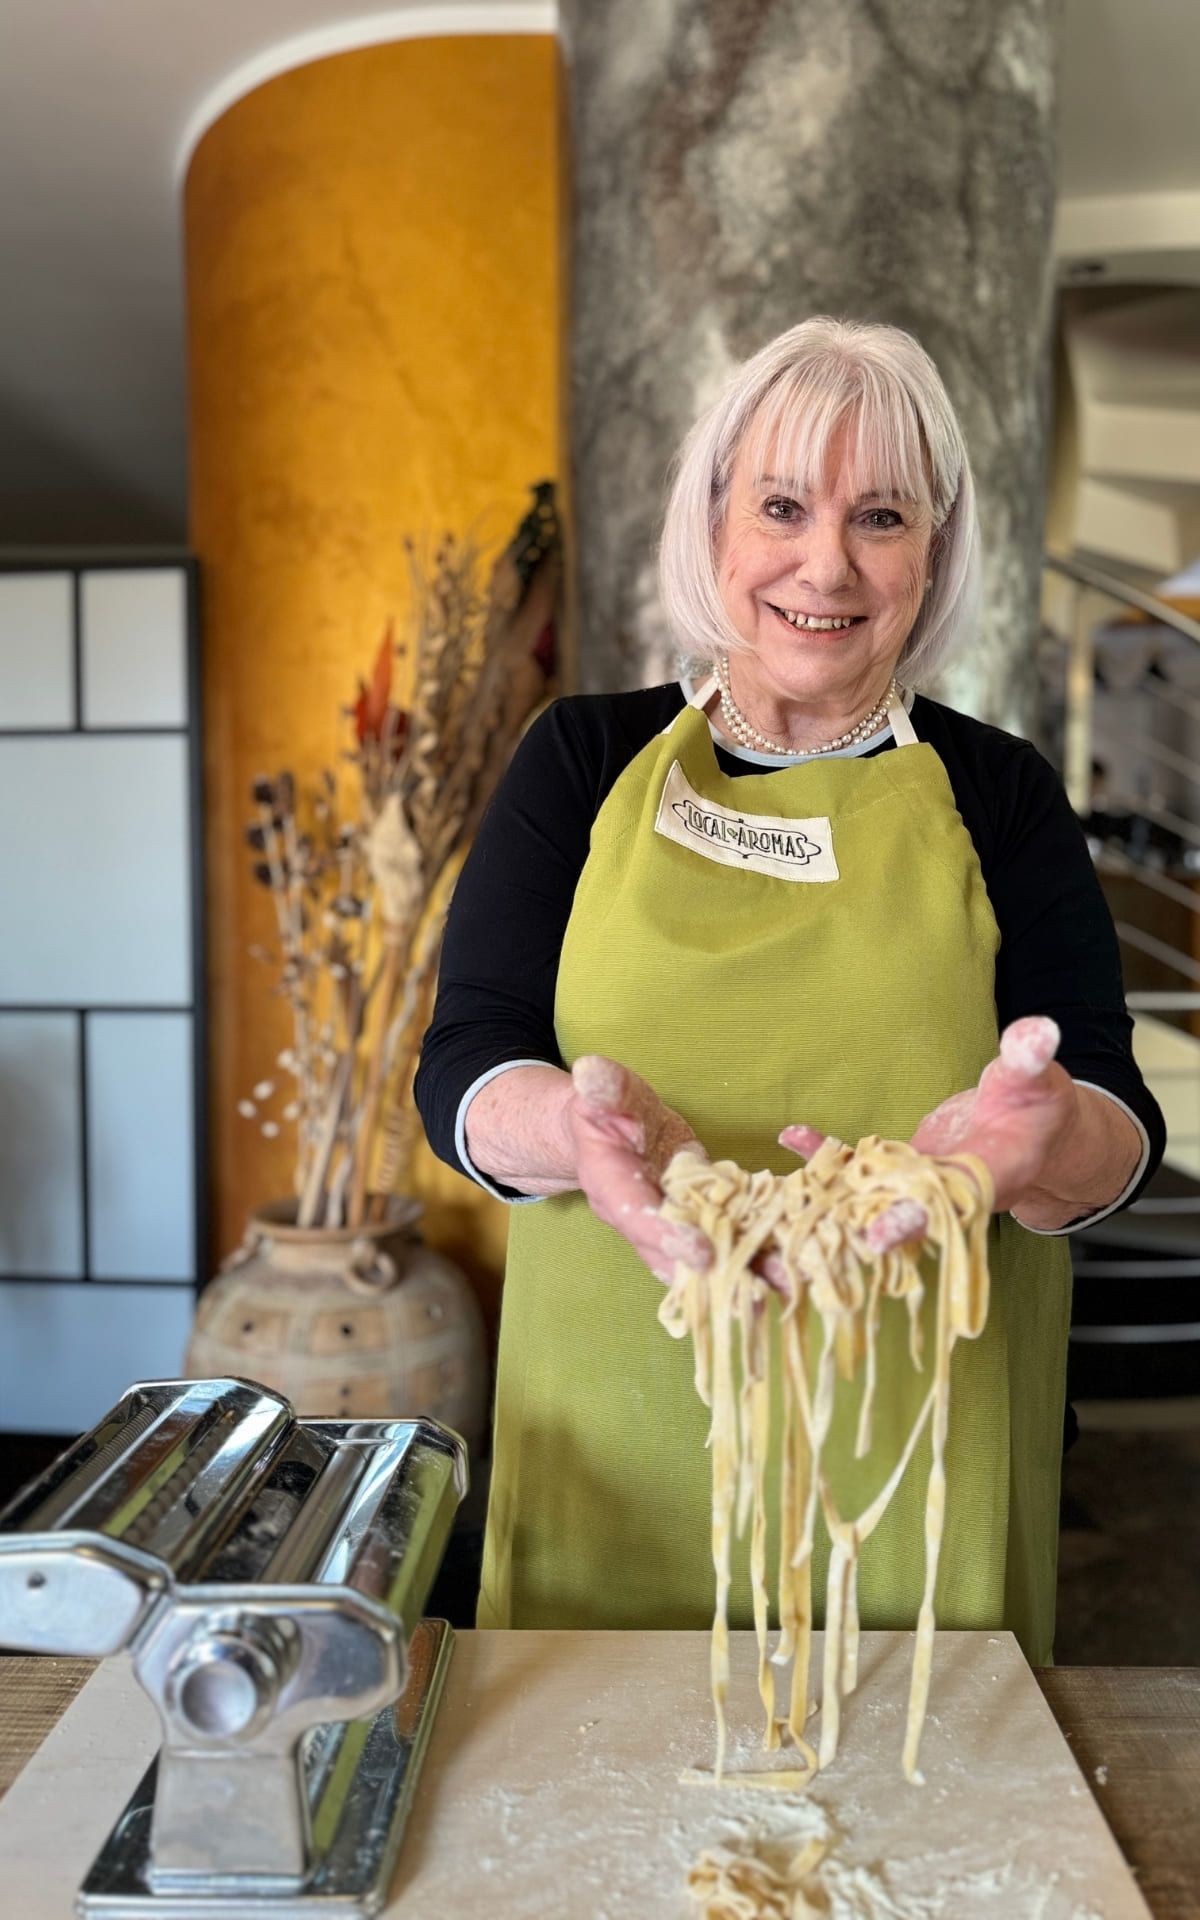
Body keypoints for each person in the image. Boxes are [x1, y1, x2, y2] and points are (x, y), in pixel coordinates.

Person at [414, 317, 1165, 1663]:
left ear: (933, 551)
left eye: (881, 516)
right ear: (715, 523)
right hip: (617, 1426)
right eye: (782, 505)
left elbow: (1112, 1111)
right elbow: (470, 1056)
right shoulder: (584, 759)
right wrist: (572, 1133)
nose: (828, 563)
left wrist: (1045, 1139)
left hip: (918, 1451)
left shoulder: (1000, 795)